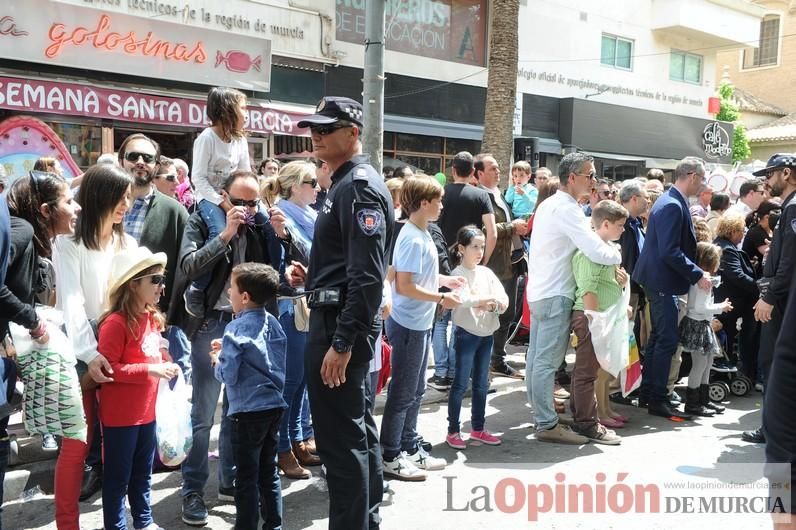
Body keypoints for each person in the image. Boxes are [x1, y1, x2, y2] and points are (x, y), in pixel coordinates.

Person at [291, 96, 393, 529]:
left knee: (340, 442)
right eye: (314, 129)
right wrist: (312, 277)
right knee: (355, 433)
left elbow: (368, 278)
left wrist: (342, 341)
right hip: (336, 314)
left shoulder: (358, 186)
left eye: (325, 128)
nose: (316, 136)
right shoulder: (346, 183)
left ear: (353, 133)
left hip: (339, 324)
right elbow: (349, 265)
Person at [170, 170, 287, 526]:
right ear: (223, 196)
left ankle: (230, 482)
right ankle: (193, 489)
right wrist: (224, 234)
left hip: (250, 322)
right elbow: (188, 266)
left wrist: (281, 233)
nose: (247, 209)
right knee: (204, 412)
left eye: (254, 203)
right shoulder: (203, 219)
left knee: (240, 411)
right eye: (240, 202)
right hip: (212, 322)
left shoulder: (259, 224)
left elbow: (276, 274)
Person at [52, 164, 135, 529]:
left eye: (129, 198)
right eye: (121, 198)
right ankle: (66, 523)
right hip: (78, 352)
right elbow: (71, 303)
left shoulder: (127, 243)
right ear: (101, 197)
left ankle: (119, 519)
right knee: (75, 445)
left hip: (118, 348)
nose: (127, 206)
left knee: (121, 442)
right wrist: (90, 354)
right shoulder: (67, 244)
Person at [526, 152, 622, 444]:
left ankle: (544, 418)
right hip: (555, 294)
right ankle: (546, 422)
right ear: (572, 178)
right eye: (589, 175)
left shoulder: (551, 205)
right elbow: (595, 249)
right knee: (546, 362)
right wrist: (617, 255)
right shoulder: (566, 208)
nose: (593, 182)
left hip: (544, 292)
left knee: (537, 361)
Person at [381, 176, 462, 481]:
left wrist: (445, 282)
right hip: (409, 324)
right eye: (438, 200)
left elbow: (417, 278)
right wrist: (443, 295)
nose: (442, 205)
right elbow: (405, 286)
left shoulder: (421, 232)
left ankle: (406, 446)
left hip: (417, 322)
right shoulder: (414, 237)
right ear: (424, 203)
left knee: (414, 390)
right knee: (404, 392)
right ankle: (390, 453)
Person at [97, 247, 178, 530]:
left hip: (148, 413)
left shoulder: (151, 319)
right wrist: (151, 370)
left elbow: (152, 353)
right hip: (121, 417)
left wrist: (166, 362)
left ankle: (144, 521)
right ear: (133, 285)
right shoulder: (115, 323)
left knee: (143, 473)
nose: (161, 286)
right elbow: (107, 370)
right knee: (118, 477)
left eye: (161, 279)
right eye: (154, 279)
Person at [633, 157, 711, 420]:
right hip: (662, 281)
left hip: (660, 280)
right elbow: (670, 251)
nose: (702, 185)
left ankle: (649, 393)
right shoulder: (671, 205)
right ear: (691, 175)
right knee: (666, 341)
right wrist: (697, 273)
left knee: (659, 340)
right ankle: (657, 398)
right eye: (701, 179)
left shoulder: (671, 201)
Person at [212, 263, 287, 530]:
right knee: (269, 472)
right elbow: (269, 361)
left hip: (246, 413)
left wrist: (217, 361)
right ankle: (274, 525)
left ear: (244, 297)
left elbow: (228, 375)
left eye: (231, 288)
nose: (228, 292)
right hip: (273, 407)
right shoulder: (274, 324)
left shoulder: (234, 329)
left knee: (245, 477)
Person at [260, 161, 321, 478]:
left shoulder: (307, 217)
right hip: (290, 308)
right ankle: (283, 449)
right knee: (292, 382)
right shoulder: (282, 216)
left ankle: (296, 439)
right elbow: (303, 259)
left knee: (301, 382)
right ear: (295, 186)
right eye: (312, 181)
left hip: (304, 304)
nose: (318, 186)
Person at [184, 87, 252, 319]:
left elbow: (245, 172)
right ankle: (197, 287)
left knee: (261, 224)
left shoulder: (240, 140)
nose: (246, 114)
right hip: (209, 198)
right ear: (227, 110)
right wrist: (222, 203)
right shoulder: (206, 138)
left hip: (233, 197)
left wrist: (253, 200)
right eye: (243, 108)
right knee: (219, 232)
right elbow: (198, 179)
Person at [569, 200, 628, 444]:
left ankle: (583, 419)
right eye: (620, 225)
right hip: (591, 317)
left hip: (598, 317)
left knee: (587, 372)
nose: (623, 230)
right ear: (605, 224)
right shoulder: (590, 253)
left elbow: (604, 285)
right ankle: (587, 424)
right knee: (586, 374)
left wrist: (621, 286)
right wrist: (596, 323)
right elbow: (588, 290)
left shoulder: (603, 250)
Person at [445, 225, 508, 450]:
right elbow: (462, 300)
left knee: (482, 383)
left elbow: (503, 299)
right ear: (462, 249)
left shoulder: (486, 273)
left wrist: (493, 304)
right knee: (460, 383)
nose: (480, 251)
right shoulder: (457, 275)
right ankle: (453, 430)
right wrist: (486, 300)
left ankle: (478, 428)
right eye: (475, 247)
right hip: (466, 334)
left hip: (486, 334)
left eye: (482, 247)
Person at [748, 154, 796, 444]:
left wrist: (769, 295)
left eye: (770, 174)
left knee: (773, 363)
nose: (766, 180)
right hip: (783, 297)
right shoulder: (788, 208)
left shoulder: (792, 209)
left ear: (786, 174)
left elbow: (790, 262)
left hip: (782, 301)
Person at [475, 154, 528, 379]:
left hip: (512, 261)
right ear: (479, 173)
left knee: (506, 315)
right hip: (494, 265)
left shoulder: (501, 193)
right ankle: (488, 361)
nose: (498, 172)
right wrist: (511, 227)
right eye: (493, 168)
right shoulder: (479, 196)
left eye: (498, 168)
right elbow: (482, 231)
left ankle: (497, 359)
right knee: (492, 315)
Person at [679, 242, 732, 417]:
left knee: (707, 364)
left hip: (701, 323)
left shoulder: (702, 277)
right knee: (700, 364)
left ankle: (703, 400)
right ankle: (693, 403)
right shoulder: (704, 280)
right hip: (697, 323)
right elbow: (700, 307)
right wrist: (720, 307)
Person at [714, 214, 759, 379]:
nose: (743, 235)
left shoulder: (725, 245)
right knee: (729, 336)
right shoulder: (727, 248)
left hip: (730, 300)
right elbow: (736, 275)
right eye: (742, 231)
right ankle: (726, 374)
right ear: (733, 231)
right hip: (732, 301)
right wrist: (759, 287)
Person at [743, 200, 781, 277]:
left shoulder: (769, 231)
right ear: (767, 217)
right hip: (756, 276)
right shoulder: (756, 232)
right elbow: (771, 254)